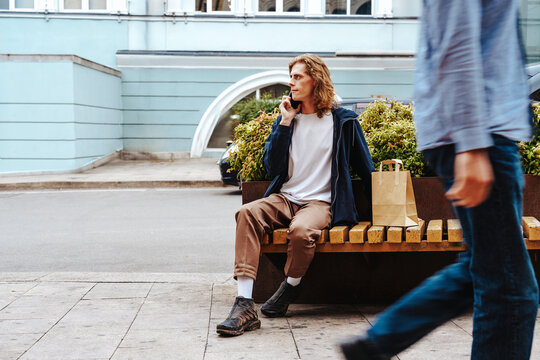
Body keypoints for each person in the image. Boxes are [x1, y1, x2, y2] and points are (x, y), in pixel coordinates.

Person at [340, 1, 539, 359]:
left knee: (484, 270)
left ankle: (376, 343)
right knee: (512, 291)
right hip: (482, 134)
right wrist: (472, 142)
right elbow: (457, 42)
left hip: (486, 130)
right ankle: (377, 343)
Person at [216, 53, 375, 336]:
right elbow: (271, 166)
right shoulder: (287, 118)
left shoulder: (344, 121)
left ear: (316, 80)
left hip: (321, 201)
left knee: (301, 232)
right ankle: (244, 304)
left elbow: (366, 168)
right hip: (286, 197)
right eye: (291, 77)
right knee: (246, 213)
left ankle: (290, 288)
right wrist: (285, 123)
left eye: (298, 77)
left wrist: (377, 210)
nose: (292, 82)